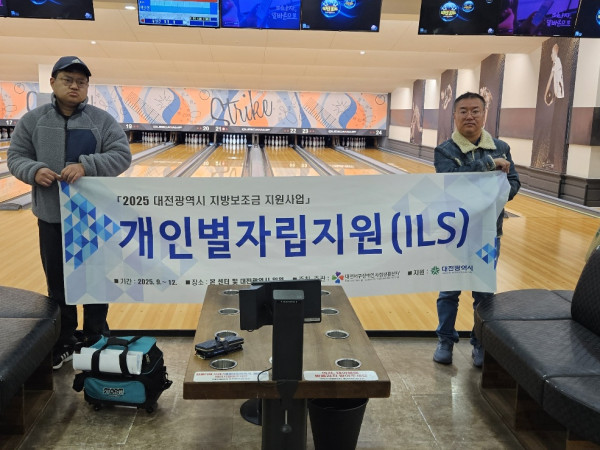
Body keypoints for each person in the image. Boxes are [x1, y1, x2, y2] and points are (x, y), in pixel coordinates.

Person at [7, 56, 131, 370]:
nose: (75, 86)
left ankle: (95, 337)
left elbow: (122, 155)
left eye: (81, 82)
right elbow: (16, 157)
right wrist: (34, 170)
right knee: (59, 286)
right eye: (68, 80)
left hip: (93, 219)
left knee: (96, 282)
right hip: (51, 218)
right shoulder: (33, 121)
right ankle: (64, 341)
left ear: (87, 86)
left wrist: (87, 165)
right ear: (53, 82)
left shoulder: (102, 121)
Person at [432, 92, 520, 368]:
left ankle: (480, 343)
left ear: (484, 114)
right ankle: (445, 341)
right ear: (454, 116)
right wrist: (489, 166)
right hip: (454, 235)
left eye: (475, 111)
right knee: (449, 292)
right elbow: (451, 182)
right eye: (463, 111)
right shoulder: (445, 151)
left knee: (483, 293)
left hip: (488, 234)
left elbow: (514, 183)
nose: (469, 116)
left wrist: (496, 193)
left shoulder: (501, 147)